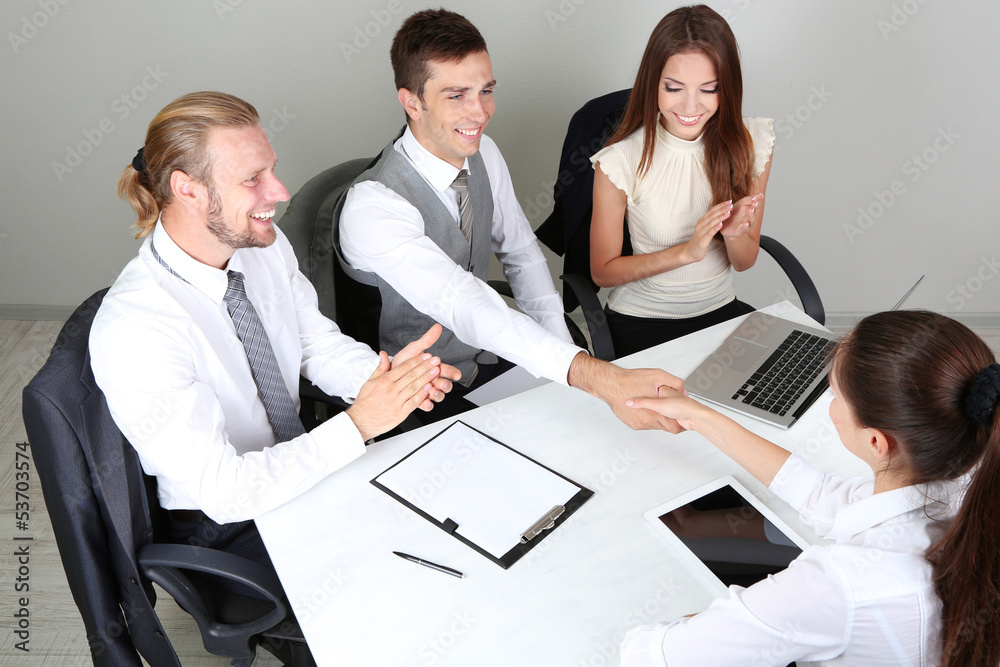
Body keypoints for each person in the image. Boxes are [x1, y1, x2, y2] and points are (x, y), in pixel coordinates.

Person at [90, 91, 460, 563]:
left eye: (272, 170)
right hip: (226, 523)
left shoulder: (260, 245)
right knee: (399, 563)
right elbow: (224, 492)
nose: (281, 192)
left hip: (300, 459)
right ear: (188, 189)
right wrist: (359, 423)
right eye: (253, 178)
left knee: (444, 517)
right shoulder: (136, 330)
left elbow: (313, 342)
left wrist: (385, 381)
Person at [337, 8, 684, 429]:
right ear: (412, 102)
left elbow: (521, 254)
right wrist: (591, 375)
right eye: (456, 96)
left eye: (485, 91)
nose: (480, 112)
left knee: (587, 427)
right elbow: (463, 303)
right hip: (415, 391)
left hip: (485, 359)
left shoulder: (484, 152)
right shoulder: (373, 207)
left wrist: (564, 356)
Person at [620, 310, 1000, 666]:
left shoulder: (839, 586)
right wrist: (700, 417)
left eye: (834, 397)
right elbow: (820, 494)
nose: (829, 407)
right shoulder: (971, 478)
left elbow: (651, 656)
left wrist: (726, 621)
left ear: (876, 442)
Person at [590, 5, 774, 357]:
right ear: (653, 84)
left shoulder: (752, 142)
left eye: (709, 89)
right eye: (674, 88)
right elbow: (603, 272)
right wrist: (686, 253)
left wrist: (734, 234)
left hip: (721, 312)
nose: (691, 107)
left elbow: (744, 261)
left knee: (796, 378)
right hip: (643, 322)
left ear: (727, 88)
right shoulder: (619, 160)